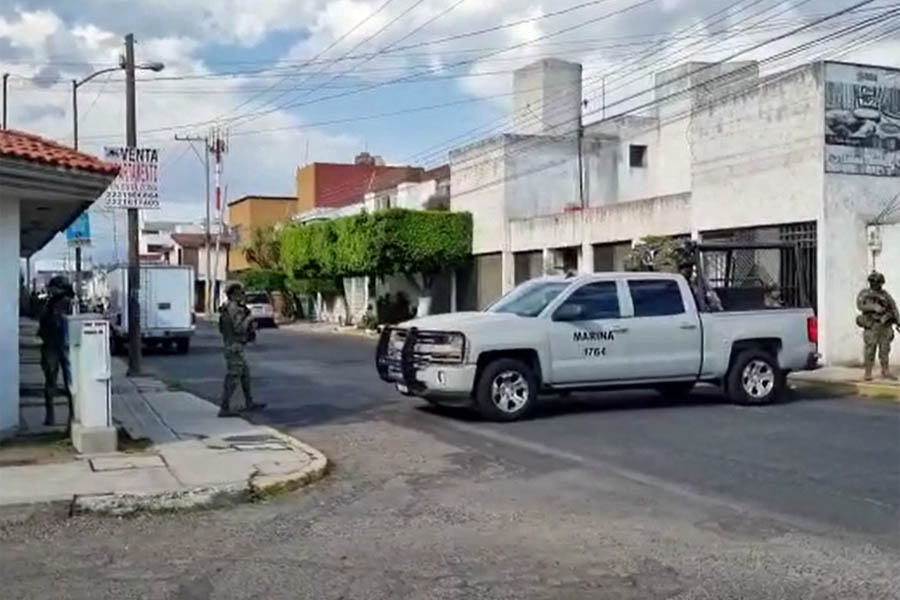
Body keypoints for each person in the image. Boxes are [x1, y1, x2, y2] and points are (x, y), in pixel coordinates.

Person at [218, 283, 265, 417]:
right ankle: (224, 407)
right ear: (233, 294)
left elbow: (223, 329)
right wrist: (249, 320)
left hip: (232, 345)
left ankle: (249, 402)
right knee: (233, 377)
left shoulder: (228, 308)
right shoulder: (235, 309)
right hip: (234, 346)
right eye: (240, 293)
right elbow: (238, 328)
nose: (242, 295)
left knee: (245, 376)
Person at [37, 276, 74, 427]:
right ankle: (68, 415)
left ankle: (57, 415)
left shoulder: (64, 303)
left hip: (58, 346)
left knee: (58, 382)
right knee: (65, 383)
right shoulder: (53, 303)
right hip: (58, 346)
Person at [856, 271, 898, 381]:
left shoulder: (885, 295)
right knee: (870, 349)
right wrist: (874, 307)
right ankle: (868, 372)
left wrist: (898, 320)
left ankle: (885, 370)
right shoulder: (865, 294)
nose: (877, 285)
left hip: (884, 325)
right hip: (872, 325)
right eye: (875, 282)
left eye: (879, 283)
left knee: (885, 349)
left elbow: (893, 307)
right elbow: (860, 305)